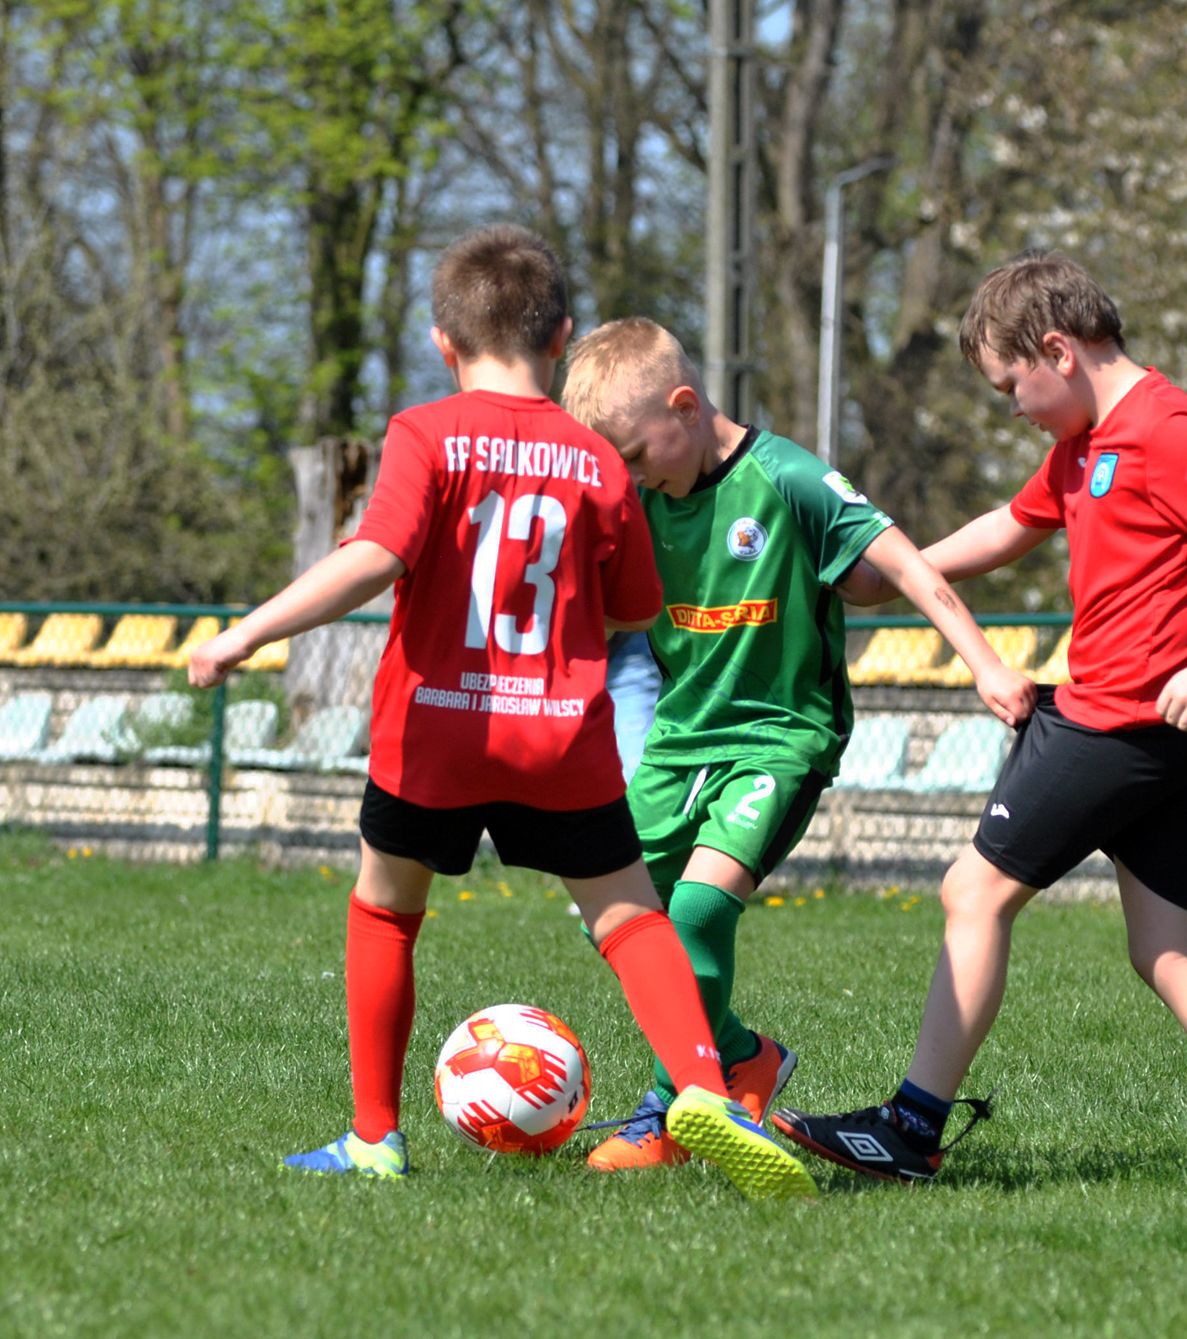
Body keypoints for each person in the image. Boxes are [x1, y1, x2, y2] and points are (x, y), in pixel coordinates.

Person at [189, 225, 814, 1200]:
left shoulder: (423, 434)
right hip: (557, 734)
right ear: (562, 336)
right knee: (629, 916)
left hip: (435, 729)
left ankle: (373, 1138)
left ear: (444, 344)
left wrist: (246, 633)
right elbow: (639, 610)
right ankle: (702, 1084)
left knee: (386, 909)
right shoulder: (597, 457)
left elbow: (373, 556)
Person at [770, 252, 1187, 1191]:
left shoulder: (1167, 429)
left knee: (973, 894)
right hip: (1172, 727)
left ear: (1059, 351)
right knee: (1165, 946)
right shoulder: (1084, 445)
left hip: (1126, 720)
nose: (1014, 408)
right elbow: (1012, 522)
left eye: (1010, 386)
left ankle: (912, 1127)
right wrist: (896, 570)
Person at [558, 316, 1038, 1172]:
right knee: (626, 923)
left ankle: (673, 1104)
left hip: (780, 738)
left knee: (700, 910)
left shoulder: (790, 479)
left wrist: (987, 665)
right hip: (678, 741)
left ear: (686, 405)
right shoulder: (638, 499)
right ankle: (743, 1056)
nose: (629, 476)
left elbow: (910, 568)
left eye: (636, 453)